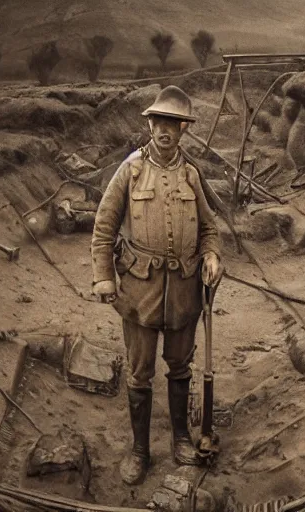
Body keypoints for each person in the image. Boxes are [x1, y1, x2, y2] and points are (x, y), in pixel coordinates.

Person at [91, 85, 223, 485]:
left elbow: (208, 227)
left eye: (173, 123)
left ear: (183, 129)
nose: (165, 130)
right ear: (149, 124)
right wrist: (103, 276)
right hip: (140, 290)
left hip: (184, 291)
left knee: (180, 366)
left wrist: (213, 254)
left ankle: (182, 439)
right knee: (140, 371)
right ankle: (139, 450)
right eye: (159, 122)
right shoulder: (130, 171)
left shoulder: (190, 174)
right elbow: (103, 227)